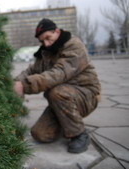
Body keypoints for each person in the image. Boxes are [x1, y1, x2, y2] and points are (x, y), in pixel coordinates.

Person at [14, 18, 101, 153]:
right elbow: (31, 70)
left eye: (48, 38)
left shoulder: (74, 45)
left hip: (86, 95)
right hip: (61, 100)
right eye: (42, 41)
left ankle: (79, 134)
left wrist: (24, 86)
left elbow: (59, 73)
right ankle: (67, 121)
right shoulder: (46, 52)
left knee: (56, 91)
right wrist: (14, 83)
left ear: (57, 31)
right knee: (39, 134)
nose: (46, 43)